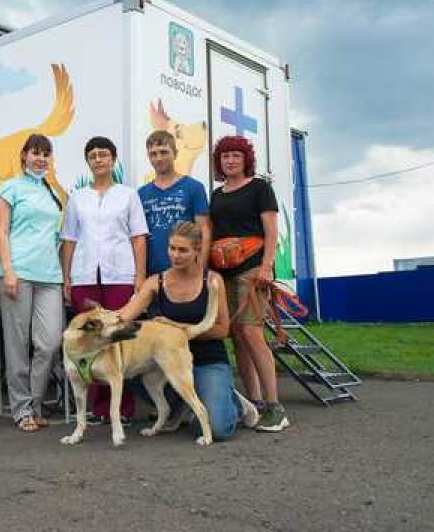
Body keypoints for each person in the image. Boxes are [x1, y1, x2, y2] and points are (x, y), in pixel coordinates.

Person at [118, 222, 260, 440]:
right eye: (172, 248)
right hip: (166, 361)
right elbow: (123, 316)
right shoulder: (156, 282)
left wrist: (177, 328)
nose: (175, 255)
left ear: (198, 250)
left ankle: (234, 403)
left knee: (218, 429)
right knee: (125, 366)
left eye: (183, 250)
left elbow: (223, 330)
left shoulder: (212, 280)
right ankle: (185, 404)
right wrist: (94, 319)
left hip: (207, 360)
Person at [60, 136, 148, 426]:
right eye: (93, 155)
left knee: (118, 340)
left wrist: (140, 276)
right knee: (90, 341)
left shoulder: (128, 195)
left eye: (104, 155)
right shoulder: (77, 198)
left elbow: (138, 237)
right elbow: (70, 240)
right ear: (88, 161)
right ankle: (96, 408)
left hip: (120, 275)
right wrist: (67, 277)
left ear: (113, 160)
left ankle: (122, 408)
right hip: (85, 276)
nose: (98, 159)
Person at [208, 135, 289, 432]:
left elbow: (271, 230)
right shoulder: (216, 195)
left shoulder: (259, 188)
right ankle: (253, 403)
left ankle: (275, 407)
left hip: (253, 268)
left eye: (236, 156)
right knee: (236, 336)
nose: (230, 160)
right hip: (224, 272)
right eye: (225, 156)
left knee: (253, 333)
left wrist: (267, 267)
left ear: (246, 159)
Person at [0, 134, 64, 433]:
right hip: (17, 274)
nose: (41, 159)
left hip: (50, 276)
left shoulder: (51, 192)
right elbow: (1, 231)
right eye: (36, 153)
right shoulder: (10, 187)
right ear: (24, 156)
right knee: (18, 345)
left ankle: (34, 403)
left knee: (49, 343)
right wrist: (8, 270)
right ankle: (23, 410)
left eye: (46, 154)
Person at [139, 129, 210, 277]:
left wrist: (201, 268)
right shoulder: (141, 193)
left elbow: (204, 229)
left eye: (164, 152)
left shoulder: (194, 187)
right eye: (153, 154)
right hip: (152, 273)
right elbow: (139, 237)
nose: (159, 158)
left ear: (175, 154)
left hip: (187, 271)